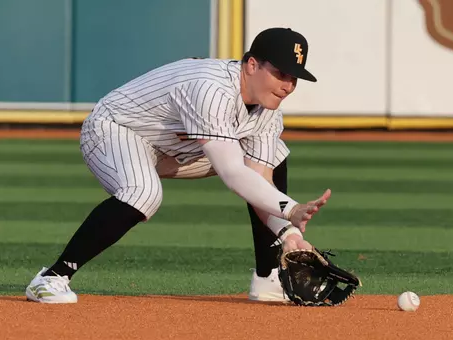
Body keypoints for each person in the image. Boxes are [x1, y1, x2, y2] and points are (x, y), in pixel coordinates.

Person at [25, 27, 331, 304]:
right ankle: (52, 277)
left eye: (294, 78)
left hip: (177, 150)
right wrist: (290, 209)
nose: (288, 85)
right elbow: (232, 173)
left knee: (272, 156)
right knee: (143, 193)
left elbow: (259, 182)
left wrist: (290, 236)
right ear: (252, 65)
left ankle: (267, 280)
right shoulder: (211, 88)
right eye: (281, 73)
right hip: (115, 131)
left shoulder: (268, 112)